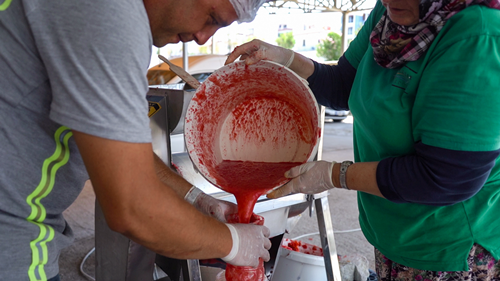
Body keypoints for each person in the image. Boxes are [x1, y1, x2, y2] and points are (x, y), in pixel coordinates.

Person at [225, 0, 500, 279]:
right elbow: (344, 85)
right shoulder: (389, 16)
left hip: (450, 247)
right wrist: (285, 58)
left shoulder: (476, 35)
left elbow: (447, 176)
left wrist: (336, 174)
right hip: (392, 233)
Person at [0, 0, 272, 280]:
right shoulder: (109, 13)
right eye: (212, 18)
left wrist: (197, 199)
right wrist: (233, 243)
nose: (203, 37)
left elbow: (123, 152)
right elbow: (132, 208)